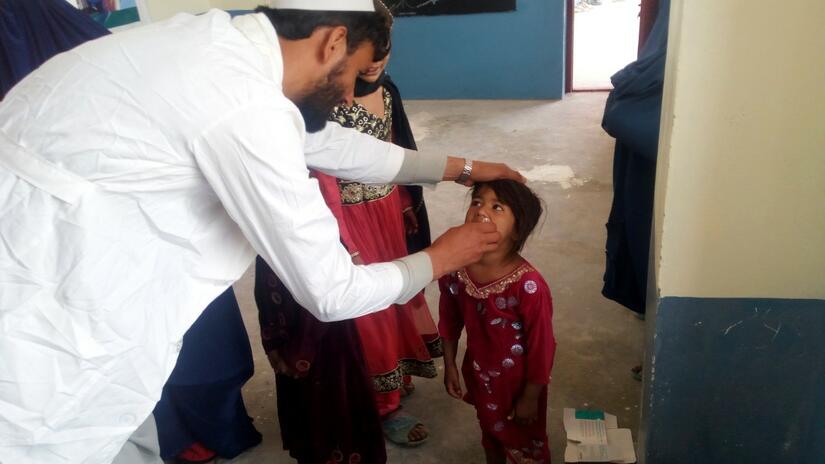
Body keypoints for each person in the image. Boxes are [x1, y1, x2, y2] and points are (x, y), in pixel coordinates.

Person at [0, 0, 525, 462]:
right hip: (48, 351)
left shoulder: (216, 44)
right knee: (76, 435)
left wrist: (464, 168)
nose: (349, 96)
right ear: (334, 41)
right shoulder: (243, 107)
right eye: (355, 74)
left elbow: (330, 146)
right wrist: (438, 257)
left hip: (68, 280)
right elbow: (333, 291)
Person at [439, 181, 556, 464]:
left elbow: (543, 347)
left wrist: (530, 397)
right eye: (477, 202)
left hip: (519, 387)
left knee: (525, 443)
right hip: (479, 376)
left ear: (517, 230)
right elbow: (449, 318)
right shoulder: (455, 268)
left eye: (497, 207)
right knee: (490, 432)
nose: (481, 211)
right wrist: (450, 363)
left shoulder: (528, 286)